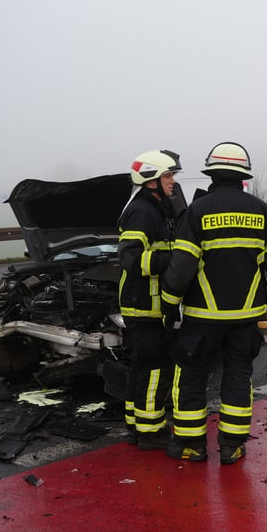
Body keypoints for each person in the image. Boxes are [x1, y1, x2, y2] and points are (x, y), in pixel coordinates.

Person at [160, 142, 267, 464]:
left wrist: (168, 304)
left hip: (201, 318)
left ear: (211, 174)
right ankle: (231, 446)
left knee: (191, 377)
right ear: (242, 176)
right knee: (238, 377)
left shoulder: (196, 212)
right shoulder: (260, 211)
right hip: (245, 319)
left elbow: (180, 269)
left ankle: (192, 446)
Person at [117, 149, 182, 450]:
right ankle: (151, 430)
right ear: (150, 179)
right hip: (143, 304)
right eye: (168, 175)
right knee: (157, 366)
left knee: (141, 367)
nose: (172, 181)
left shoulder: (155, 208)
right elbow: (130, 258)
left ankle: (135, 424)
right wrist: (172, 260)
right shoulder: (143, 211)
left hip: (144, 303)